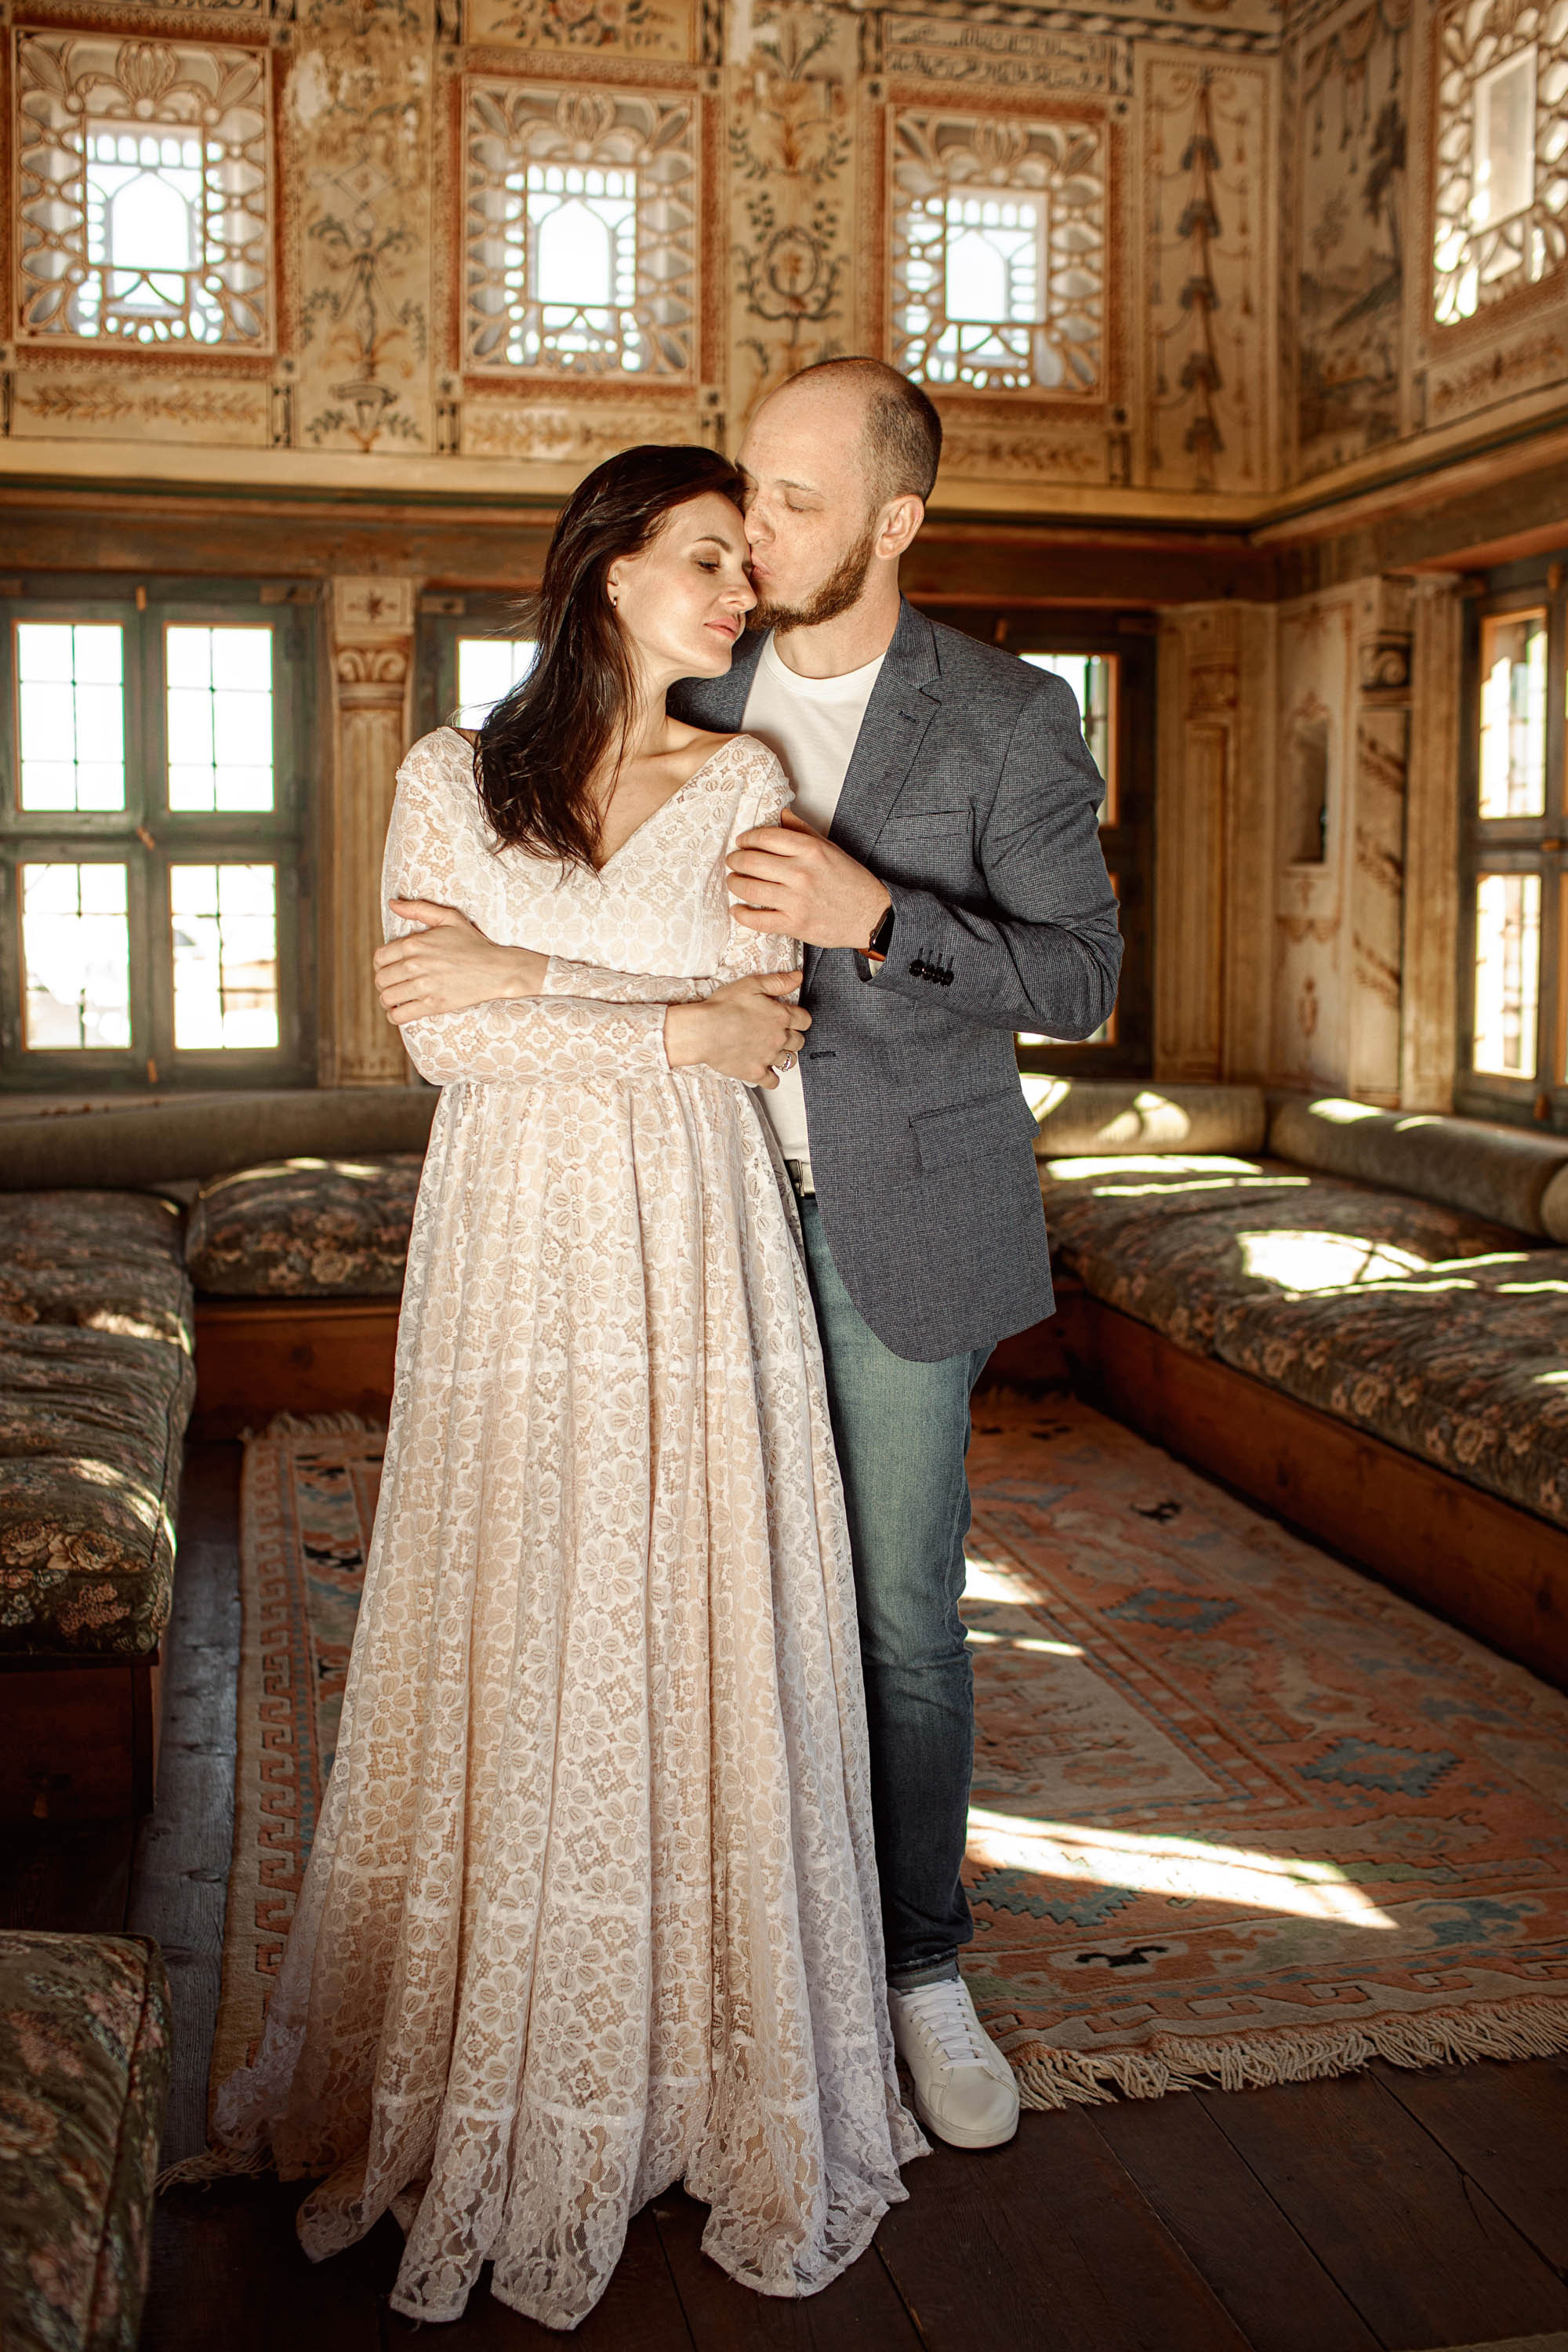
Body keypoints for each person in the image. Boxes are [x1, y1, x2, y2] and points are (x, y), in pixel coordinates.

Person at [198, 445, 925, 2331]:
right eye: (705, 557)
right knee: (527, 1610)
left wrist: (543, 972)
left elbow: (752, 1029)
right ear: (605, 568)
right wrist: (651, 1020)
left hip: (694, 1259)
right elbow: (440, 1045)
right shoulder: (452, 776)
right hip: (518, 1256)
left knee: (693, 1617)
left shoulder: (751, 781)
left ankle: (696, 2065)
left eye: (745, 568)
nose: (737, 591)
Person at [371, 363, 1122, 2159]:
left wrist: (880, 921)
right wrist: (613, 1011)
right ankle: (722, 1961)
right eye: (738, 506)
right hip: (660, 1220)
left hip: (890, 1217)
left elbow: (1083, 983)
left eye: (787, 500)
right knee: (689, 1610)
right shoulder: (686, 672)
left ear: (891, 521)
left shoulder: (1008, 717)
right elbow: (519, 897)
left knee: (889, 1616)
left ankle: (915, 1963)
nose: (755, 532)